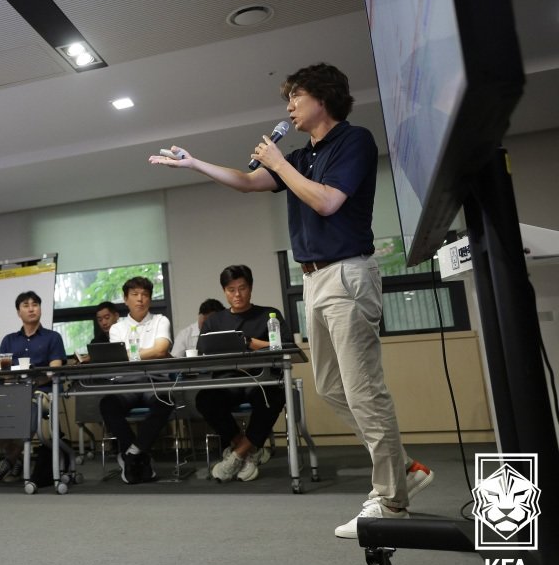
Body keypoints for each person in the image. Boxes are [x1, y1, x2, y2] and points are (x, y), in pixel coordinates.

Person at [150, 62, 433, 537]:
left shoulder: (354, 141)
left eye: (295, 97)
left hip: (347, 272)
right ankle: (403, 468)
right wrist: (195, 163)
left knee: (364, 390)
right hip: (316, 280)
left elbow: (327, 202)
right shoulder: (301, 156)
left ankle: (391, 499)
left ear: (322, 97)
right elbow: (247, 181)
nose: (288, 107)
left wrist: (279, 163)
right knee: (330, 386)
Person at [195, 265, 286, 483]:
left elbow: (284, 346)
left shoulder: (268, 315)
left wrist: (250, 343)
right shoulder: (214, 322)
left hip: (261, 380)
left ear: (251, 288)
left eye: (242, 288)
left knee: (274, 396)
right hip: (227, 381)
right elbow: (203, 351)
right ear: (224, 291)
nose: (237, 294)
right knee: (205, 399)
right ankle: (249, 450)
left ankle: (235, 456)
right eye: (231, 289)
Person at [0, 291, 66, 483]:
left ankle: (9, 460)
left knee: (28, 409)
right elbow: (1, 369)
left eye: (35, 304)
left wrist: (34, 380)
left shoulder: (52, 337)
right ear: (18, 312)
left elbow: (54, 370)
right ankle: (16, 460)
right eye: (26, 305)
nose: (31, 308)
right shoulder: (9, 340)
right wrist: (4, 374)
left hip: (41, 392)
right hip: (14, 391)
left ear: (40, 309)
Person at [97, 277, 173, 484]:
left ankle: (131, 454)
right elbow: (121, 359)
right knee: (108, 404)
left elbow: (161, 350)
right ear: (125, 299)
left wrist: (134, 355)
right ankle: (140, 456)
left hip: (154, 382)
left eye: (145, 295)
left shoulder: (160, 320)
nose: (140, 299)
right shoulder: (117, 328)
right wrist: (146, 353)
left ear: (150, 299)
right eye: (135, 294)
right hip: (126, 384)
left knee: (165, 401)